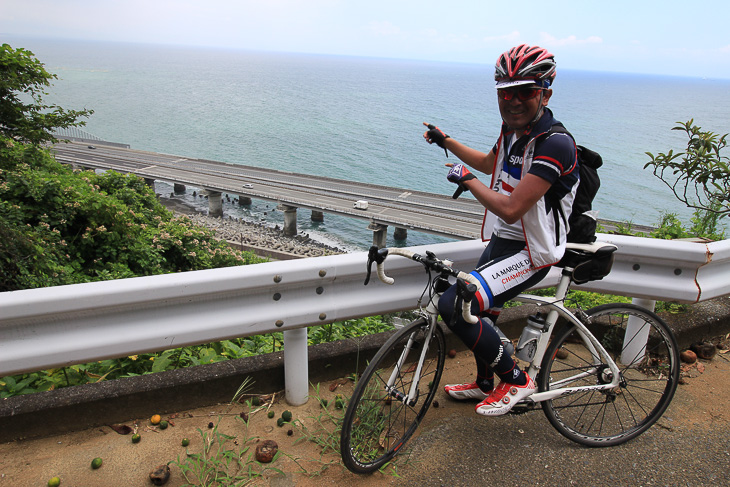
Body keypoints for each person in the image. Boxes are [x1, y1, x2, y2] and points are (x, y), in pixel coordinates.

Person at [422, 44, 579, 416]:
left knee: (457, 306)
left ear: (545, 94)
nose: (513, 100)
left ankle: (517, 381)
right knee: (484, 315)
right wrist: (447, 142)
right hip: (505, 242)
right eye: (505, 92)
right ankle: (483, 383)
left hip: (533, 251)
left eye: (525, 91)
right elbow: (490, 162)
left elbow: (510, 209)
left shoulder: (555, 144)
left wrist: (468, 181)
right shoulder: (512, 131)